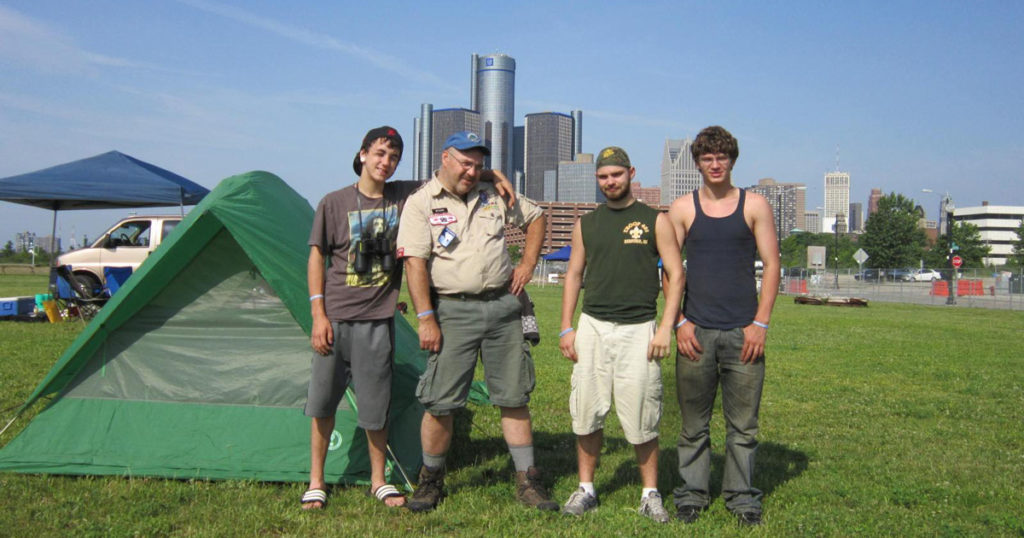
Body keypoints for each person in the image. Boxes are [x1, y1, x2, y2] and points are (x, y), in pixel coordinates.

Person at [303, 127, 515, 510]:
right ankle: (316, 481)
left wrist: (491, 174)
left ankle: (378, 480)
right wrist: (318, 314)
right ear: (363, 154)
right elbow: (317, 257)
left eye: (394, 157)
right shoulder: (333, 203)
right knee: (322, 404)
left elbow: (451, 174)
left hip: (378, 320)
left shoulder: (404, 197)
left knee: (376, 406)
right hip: (335, 319)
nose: (386, 162)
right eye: (379, 153)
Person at [396, 131, 556, 513]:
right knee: (440, 401)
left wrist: (527, 263)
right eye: (466, 163)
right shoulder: (421, 202)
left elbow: (536, 218)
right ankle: (431, 481)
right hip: (453, 311)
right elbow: (415, 263)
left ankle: (527, 481)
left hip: (503, 307)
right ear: (445, 158)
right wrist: (426, 318)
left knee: (514, 397)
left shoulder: (493, 194)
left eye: (479, 165)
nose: (472, 171)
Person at [557, 147, 683, 523]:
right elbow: (574, 275)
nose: (610, 181)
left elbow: (676, 274)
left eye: (616, 174)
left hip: (639, 328)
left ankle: (650, 494)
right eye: (603, 176)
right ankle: (586, 489)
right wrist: (566, 326)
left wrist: (666, 328)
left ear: (631, 173)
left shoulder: (655, 220)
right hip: (593, 327)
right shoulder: (586, 224)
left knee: (643, 414)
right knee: (586, 413)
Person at [666, 126, 780, 526]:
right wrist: (679, 321)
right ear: (698, 163)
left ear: (732, 160)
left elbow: (773, 266)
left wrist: (760, 323)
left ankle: (742, 498)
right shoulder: (682, 208)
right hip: (695, 331)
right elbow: (669, 268)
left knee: (743, 426)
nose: (715, 164)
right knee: (693, 425)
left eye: (722, 157)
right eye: (707, 158)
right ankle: (691, 496)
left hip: (743, 332)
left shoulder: (755, 205)